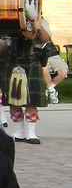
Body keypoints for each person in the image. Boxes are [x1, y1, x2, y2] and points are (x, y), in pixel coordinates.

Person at [0, 16, 50, 144]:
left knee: (31, 101)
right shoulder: (6, 20)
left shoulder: (39, 19)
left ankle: (31, 133)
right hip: (11, 61)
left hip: (31, 60)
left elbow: (46, 39)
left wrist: (39, 28)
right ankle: (19, 132)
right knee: (13, 100)